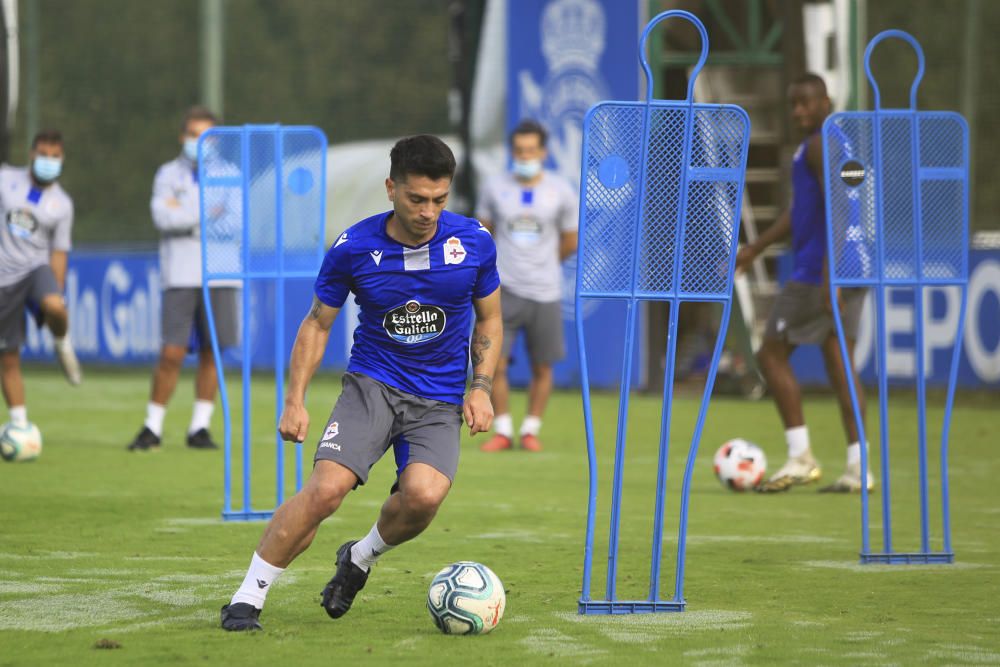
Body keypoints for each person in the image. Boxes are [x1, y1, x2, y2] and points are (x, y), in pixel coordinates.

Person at [219, 134, 502, 631]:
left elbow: (491, 320)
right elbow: (316, 323)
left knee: (424, 497)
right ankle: (246, 598)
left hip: (438, 400)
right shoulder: (354, 246)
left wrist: (480, 387)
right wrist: (295, 401)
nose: (428, 211)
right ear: (391, 188)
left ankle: (360, 557)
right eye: (416, 199)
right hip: (372, 385)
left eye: (439, 199)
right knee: (326, 491)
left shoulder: (474, 242)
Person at [736, 73, 873, 493]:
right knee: (841, 369)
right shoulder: (839, 143)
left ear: (826, 102)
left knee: (770, 354)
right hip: (856, 266)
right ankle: (858, 467)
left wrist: (829, 273)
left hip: (819, 271)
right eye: (794, 103)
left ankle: (800, 457)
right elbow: (805, 213)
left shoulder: (818, 145)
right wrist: (756, 247)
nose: (798, 112)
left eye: (807, 103)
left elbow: (837, 207)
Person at [126, 106, 239, 452]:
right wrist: (206, 215)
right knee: (171, 352)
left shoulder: (231, 173)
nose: (198, 142)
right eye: (193, 134)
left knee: (212, 352)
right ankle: (152, 426)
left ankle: (199, 428)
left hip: (221, 271)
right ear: (182, 136)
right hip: (180, 271)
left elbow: (235, 222)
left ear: (216, 139)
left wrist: (187, 216)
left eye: (205, 135)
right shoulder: (167, 174)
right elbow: (162, 216)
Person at [476, 120, 578, 453]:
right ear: (512, 152)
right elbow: (483, 233)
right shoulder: (494, 187)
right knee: (496, 362)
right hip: (502, 290)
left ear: (543, 152)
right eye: (519, 150)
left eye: (531, 150)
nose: (525, 155)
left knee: (542, 365)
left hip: (546, 291)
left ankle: (531, 429)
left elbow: (570, 239)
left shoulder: (561, 190)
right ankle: (503, 430)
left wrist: (545, 264)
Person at [0, 129, 82, 432]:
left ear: (62, 159)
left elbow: (59, 252)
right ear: (32, 154)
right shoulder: (5, 179)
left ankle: (62, 344)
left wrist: (57, 293)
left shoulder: (62, 204)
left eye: (55, 156)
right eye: (44, 155)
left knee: (56, 307)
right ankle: (20, 426)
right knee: (8, 359)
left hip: (36, 269)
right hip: (3, 278)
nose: (49, 161)